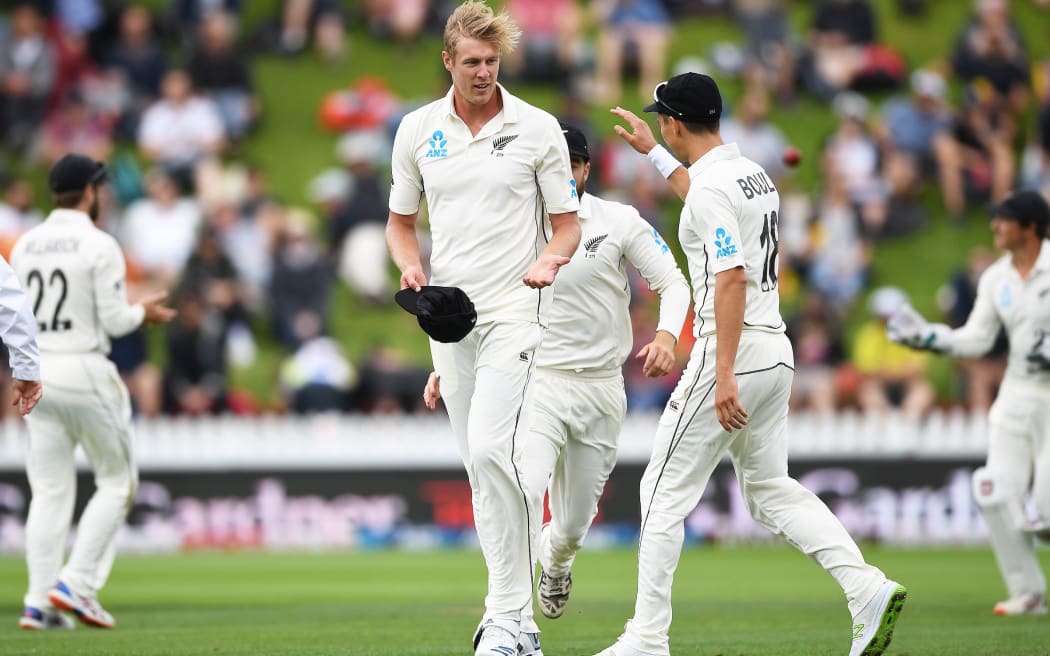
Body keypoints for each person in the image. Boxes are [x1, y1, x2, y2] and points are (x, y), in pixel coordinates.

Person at [603, 72, 905, 656]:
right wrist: (654, 155)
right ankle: (866, 588)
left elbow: (731, 276)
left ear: (674, 123)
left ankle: (646, 638)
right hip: (774, 351)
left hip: (733, 353)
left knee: (660, 492)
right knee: (768, 489)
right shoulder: (751, 173)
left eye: (662, 122)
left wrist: (722, 374)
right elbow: (705, 203)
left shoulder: (714, 187)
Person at [423, 124, 690, 622]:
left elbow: (673, 283)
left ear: (587, 170)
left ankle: (558, 562)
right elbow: (474, 302)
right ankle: (511, 617)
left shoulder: (618, 220)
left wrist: (667, 336)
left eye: (572, 164)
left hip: (601, 386)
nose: (562, 174)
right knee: (523, 489)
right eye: (553, 164)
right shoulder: (509, 226)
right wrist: (450, 362)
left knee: (570, 527)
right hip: (534, 378)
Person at [385, 3, 581, 656]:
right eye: (471, 62)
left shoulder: (538, 127)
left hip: (515, 311)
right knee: (481, 467)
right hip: (449, 319)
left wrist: (550, 260)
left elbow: (567, 224)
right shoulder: (417, 130)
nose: (482, 73)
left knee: (494, 451)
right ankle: (520, 626)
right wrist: (410, 266)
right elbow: (400, 223)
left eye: (491, 62)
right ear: (448, 60)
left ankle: (502, 616)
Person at [11, 153, 176, 630]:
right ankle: (78, 583)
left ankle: (38, 602)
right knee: (118, 481)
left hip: (38, 372)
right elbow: (115, 320)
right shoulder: (100, 243)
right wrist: (143, 313)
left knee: (48, 492)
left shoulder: (25, 245)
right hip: (83, 366)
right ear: (89, 192)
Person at [887, 189, 1050, 616]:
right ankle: (1027, 594)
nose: (994, 226)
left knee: (1047, 510)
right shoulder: (996, 278)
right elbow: (977, 339)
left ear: (1030, 227)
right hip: (1017, 391)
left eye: (1003, 219)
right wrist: (927, 337)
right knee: (993, 489)